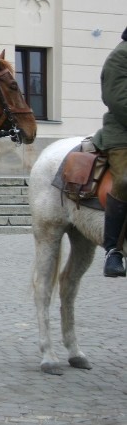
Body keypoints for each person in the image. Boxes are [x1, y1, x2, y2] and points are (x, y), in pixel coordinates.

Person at [92, 26, 127, 277]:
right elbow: (116, 99)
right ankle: (113, 250)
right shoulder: (120, 56)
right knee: (125, 181)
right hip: (121, 132)